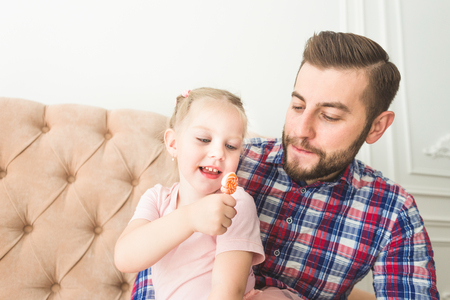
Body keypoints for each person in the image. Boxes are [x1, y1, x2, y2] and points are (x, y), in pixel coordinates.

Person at [130, 32, 440, 299]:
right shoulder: (230, 161)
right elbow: (161, 254)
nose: (300, 130)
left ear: (376, 127)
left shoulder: (393, 212)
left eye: (329, 116)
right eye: (297, 106)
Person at [115, 88, 305, 300]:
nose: (218, 153)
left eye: (230, 146)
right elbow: (124, 258)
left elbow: (228, 290)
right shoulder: (157, 199)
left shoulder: (234, 203)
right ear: (173, 143)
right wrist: (190, 218)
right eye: (204, 139)